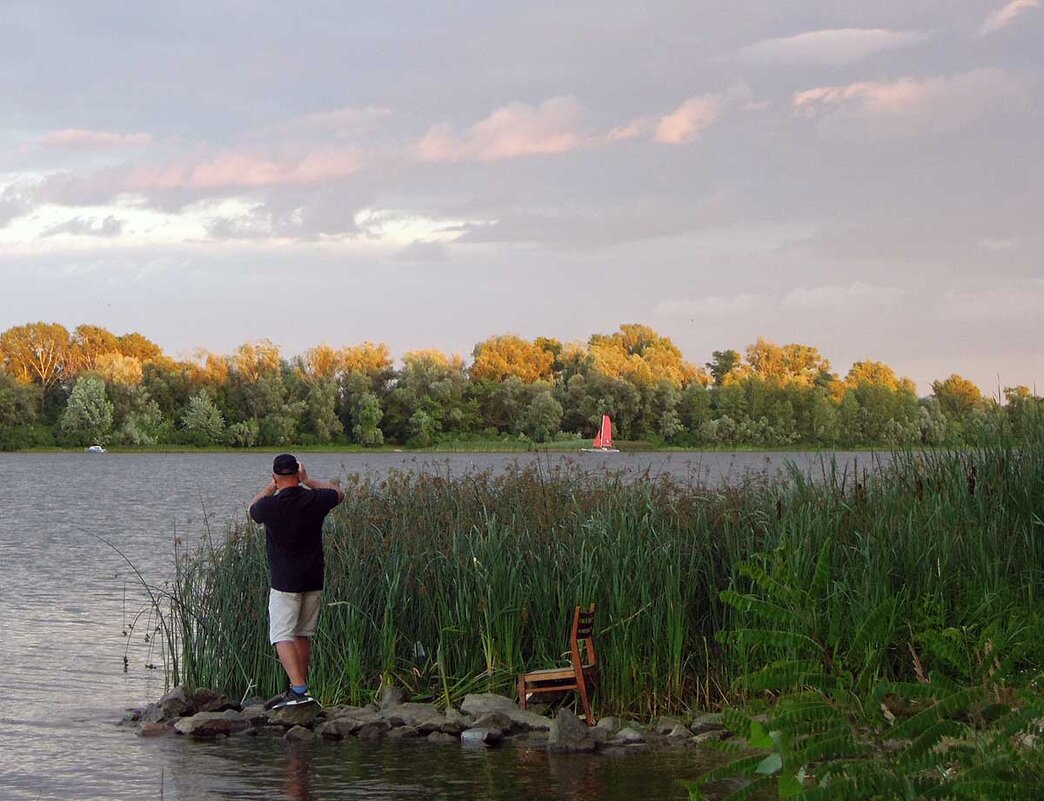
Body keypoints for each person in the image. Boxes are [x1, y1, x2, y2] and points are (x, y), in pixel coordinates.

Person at [249, 453, 344, 708]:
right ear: (297, 474)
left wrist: (271, 487)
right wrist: (309, 480)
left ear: (275, 477)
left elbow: (252, 509)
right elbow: (338, 493)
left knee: (281, 634)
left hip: (285, 581)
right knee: (302, 633)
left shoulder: (270, 505)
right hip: (313, 578)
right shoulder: (315, 499)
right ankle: (298, 689)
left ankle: (299, 690)